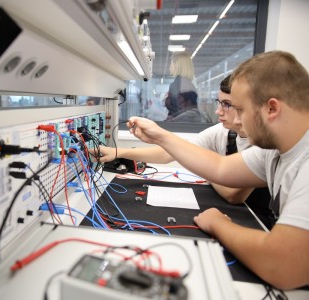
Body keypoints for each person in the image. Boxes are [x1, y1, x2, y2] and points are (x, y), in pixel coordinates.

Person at [126, 51, 309, 290]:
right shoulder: (274, 150)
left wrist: (217, 224)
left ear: (271, 109)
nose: (238, 121)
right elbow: (220, 168)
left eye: (240, 110)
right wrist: (159, 135)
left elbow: (282, 265)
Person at [96, 75, 274, 228]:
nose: (218, 111)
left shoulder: (262, 142)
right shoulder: (224, 132)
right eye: (218, 103)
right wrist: (116, 152)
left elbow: (232, 193)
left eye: (227, 104)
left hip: (255, 219)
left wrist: (205, 169)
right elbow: (169, 153)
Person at [164, 52, 210, 122]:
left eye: (171, 63)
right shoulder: (186, 84)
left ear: (178, 65)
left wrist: (171, 121)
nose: (170, 66)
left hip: (180, 126)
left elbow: (186, 112)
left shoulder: (179, 84)